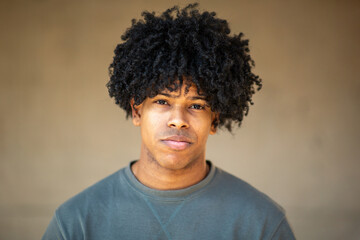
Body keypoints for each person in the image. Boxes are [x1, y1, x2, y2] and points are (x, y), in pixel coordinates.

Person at [42, 3, 296, 240]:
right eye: (163, 101)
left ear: (215, 121)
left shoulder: (262, 223)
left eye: (196, 106)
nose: (178, 121)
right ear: (137, 111)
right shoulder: (76, 223)